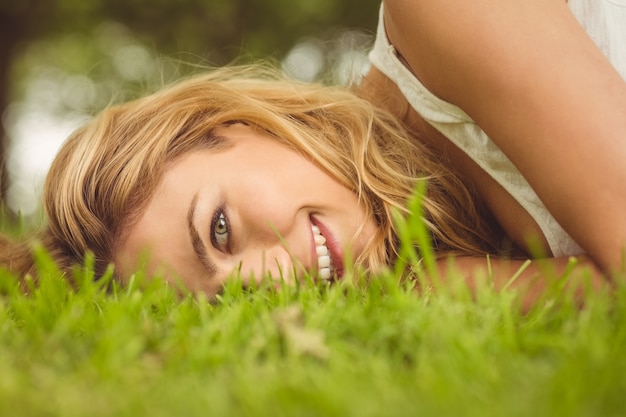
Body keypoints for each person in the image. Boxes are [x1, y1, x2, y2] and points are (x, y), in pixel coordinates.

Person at [1, 0, 623, 304]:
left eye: (220, 231)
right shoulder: (442, 254)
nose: (271, 282)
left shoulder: (441, 14)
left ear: (236, 122)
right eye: (233, 301)